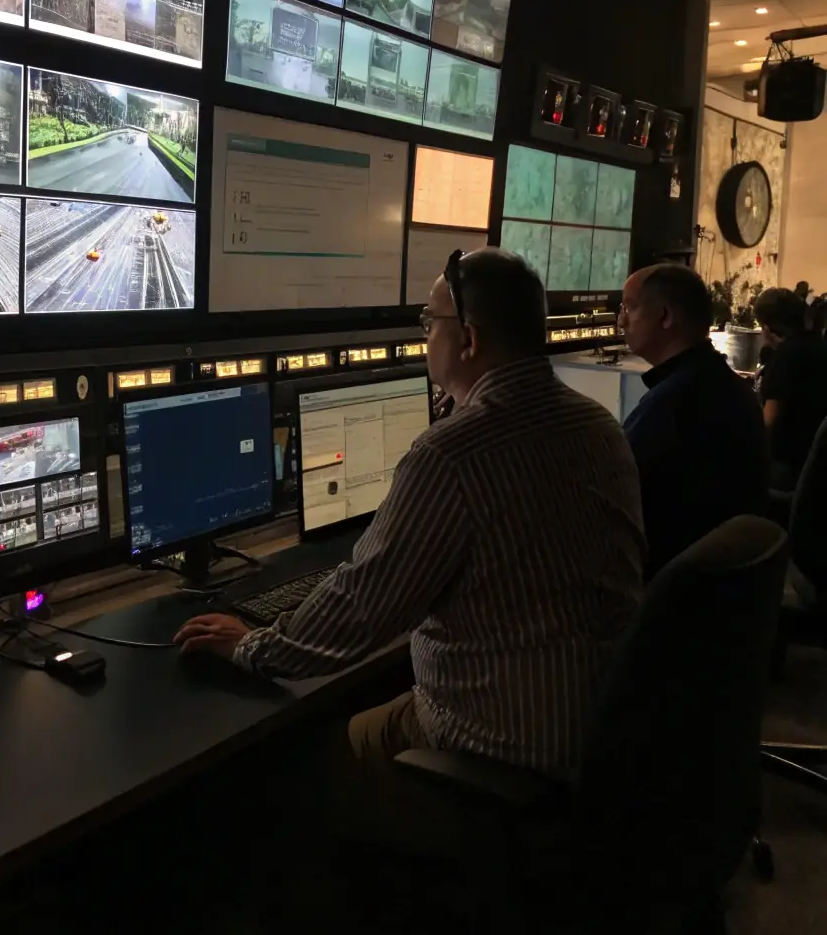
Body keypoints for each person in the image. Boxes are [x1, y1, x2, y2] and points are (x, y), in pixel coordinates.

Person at [176, 248, 644, 783]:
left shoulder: (451, 455)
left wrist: (248, 644)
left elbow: (357, 614)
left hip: (498, 745)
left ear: (468, 339)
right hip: (601, 726)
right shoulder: (598, 425)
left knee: (305, 751)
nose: (424, 335)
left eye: (429, 321)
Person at [620, 264, 768, 581]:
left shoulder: (673, 405)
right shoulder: (724, 385)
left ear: (665, 316)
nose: (621, 321)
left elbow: (617, 501)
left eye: (629, 308)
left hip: (667, 595)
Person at [754, 287, 827, 490]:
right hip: (816, 470)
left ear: (767, 328)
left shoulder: (784, 358)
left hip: (786, 470)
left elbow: (769, 421)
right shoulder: (819, 345)